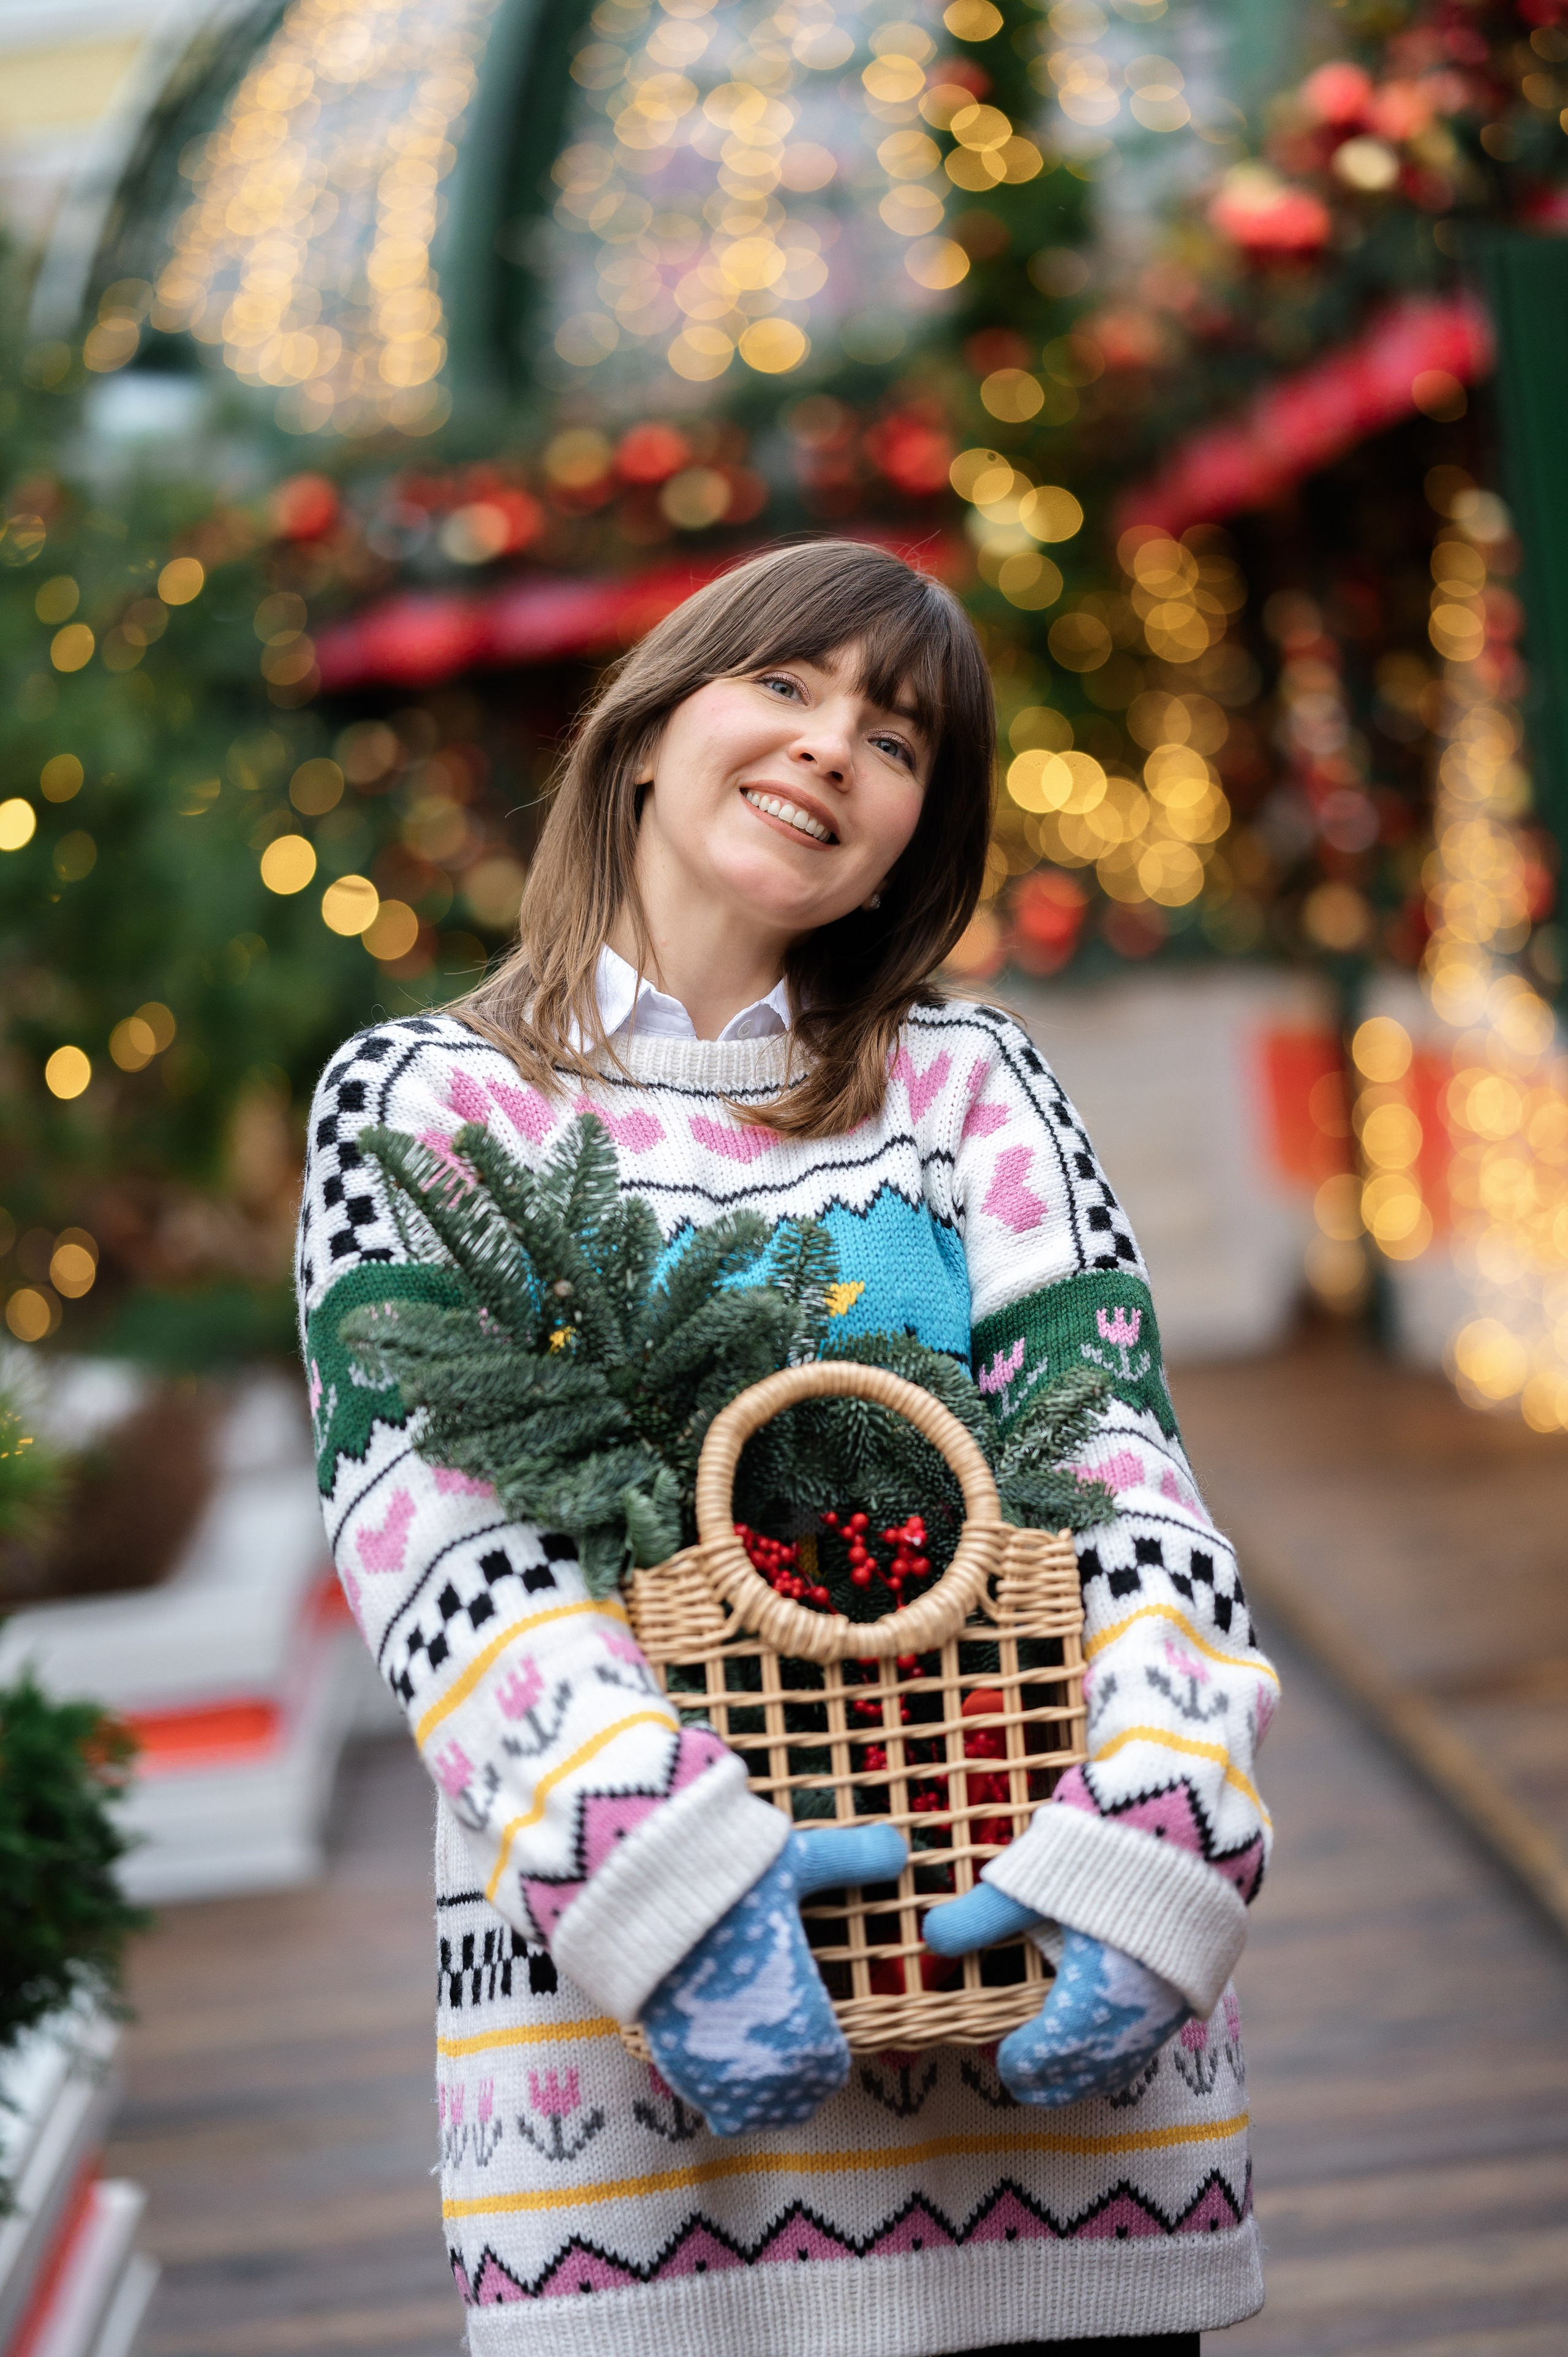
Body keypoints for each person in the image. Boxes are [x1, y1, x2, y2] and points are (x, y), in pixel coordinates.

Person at [296, 540, 1278, 2357]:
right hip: (646, 2153)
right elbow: (431, 1538)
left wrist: (1159, 1853)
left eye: (899, 742)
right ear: (649, 732)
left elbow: (1129, 1481)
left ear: (919, 830)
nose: (836, 749)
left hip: (1062, 2091)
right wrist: (670, 1882)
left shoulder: (975, 1083)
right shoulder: (428, 1100)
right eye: (787, 687)